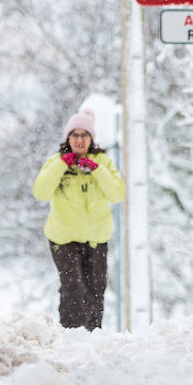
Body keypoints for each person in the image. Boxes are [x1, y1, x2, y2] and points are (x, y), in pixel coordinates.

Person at [32, 109, 126, 330]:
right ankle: (71, 334)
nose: (80, 140)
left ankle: (93, 333)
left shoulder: (103, 162)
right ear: (68, 137)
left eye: (85, 135)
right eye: (75, 134)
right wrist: (63, 164)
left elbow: (117, 194)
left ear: (92, 138)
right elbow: (41, 192)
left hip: (96, 238)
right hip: (63, 239)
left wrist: (96, 169)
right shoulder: (55, 162)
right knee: (73, 287)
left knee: (95, 288)